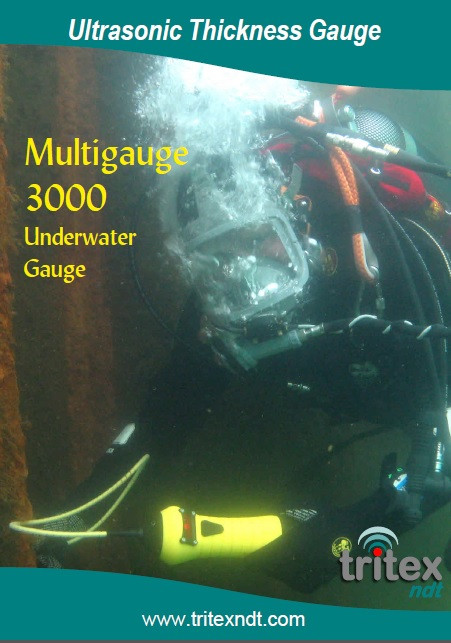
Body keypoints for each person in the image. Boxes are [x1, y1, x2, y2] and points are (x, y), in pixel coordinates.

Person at [11, 88, 451, 591]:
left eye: (259, 241)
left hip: (418, 383)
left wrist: (354, 526)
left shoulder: (403, 270)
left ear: (299, 222)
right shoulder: (222, 307)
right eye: (218, 257)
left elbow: (433, 459)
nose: (244, 276)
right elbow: (160, 425)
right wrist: (69, 526)